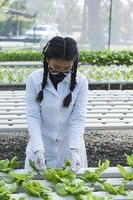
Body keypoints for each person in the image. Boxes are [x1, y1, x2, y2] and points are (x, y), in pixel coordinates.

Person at [24, 36, 88, 171]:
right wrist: (38, 149)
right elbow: (33, 116)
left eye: (66, 69)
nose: (60, 73)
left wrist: (75, 150)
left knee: (73, 188)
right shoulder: (33, 80)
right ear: (47, 60)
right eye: (55, 68)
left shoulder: (81, 81)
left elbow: (78, 117)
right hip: (42, 144)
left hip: (69, 147)